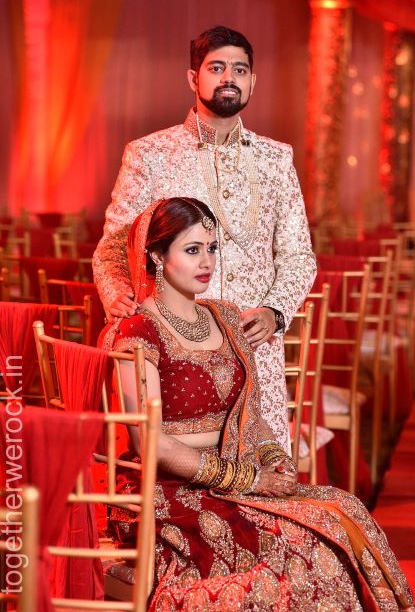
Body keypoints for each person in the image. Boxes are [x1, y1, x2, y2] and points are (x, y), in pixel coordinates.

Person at [100, 198, 414, 612]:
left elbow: (250, 413)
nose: (206, 261)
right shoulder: (138, 332)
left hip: (238, 475)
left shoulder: (225, 318)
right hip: (171, 491)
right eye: (192, 250)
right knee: (294, 553)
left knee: (345, 511)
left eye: (212, 248)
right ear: (157, 256)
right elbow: (150, 443)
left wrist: (272, 456)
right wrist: (245, 479)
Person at [93, 26, 317, 453]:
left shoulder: (276, 158)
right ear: (193, 78)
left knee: (262, 466)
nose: (229, 77)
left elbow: (299, 256)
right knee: (178, 465)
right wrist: (117, 293)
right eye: (216, 68)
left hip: (253, 347)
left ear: (252, 81)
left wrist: (274, 312)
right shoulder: (151, 154)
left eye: (239, 69)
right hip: (175, 347)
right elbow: (112, 250)